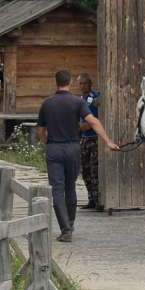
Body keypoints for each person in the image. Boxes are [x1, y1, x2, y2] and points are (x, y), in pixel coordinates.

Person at [37, 69, 118, 242]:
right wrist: (108, 141)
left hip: (54, 148)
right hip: (73, 147)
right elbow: (93, 121)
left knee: (57, 190)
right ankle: (70, 224)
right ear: (70, 83)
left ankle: (65, 229)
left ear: (56, 82)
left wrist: (47, 142)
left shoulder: (47, 103)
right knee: (70, 186)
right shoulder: (77, 102)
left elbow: (40, 130)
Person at [77, 73, 102, 210]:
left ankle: (98, 200)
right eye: (80, 84)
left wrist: (85, 126)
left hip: (94, 137)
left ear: (89, 83)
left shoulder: (95, 97)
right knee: (85, 169)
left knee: (94, 170)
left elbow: (97, 117)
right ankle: (90, 199)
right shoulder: (81, 99)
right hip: (84, 138)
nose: (82, 86)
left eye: (84, 83)